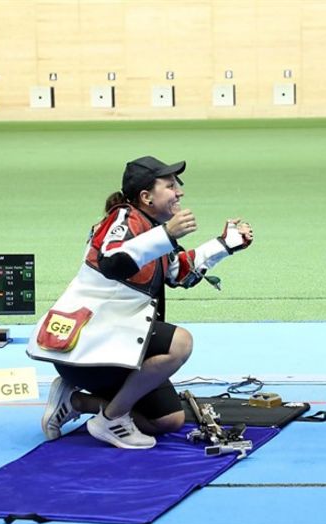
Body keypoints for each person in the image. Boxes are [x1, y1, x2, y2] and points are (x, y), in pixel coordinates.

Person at [28, 155, 253, 449]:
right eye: (171, 186)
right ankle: (111, 418)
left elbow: (179, 274)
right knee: (180, 343)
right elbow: (111, 262)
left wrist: (224, 245)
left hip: (117, 347)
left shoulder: (152, 229)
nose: (180, 192)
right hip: (86, 350)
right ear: (146, 197)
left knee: (167, 421)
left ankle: (75, 400)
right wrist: (167, 234)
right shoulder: (123, 220)